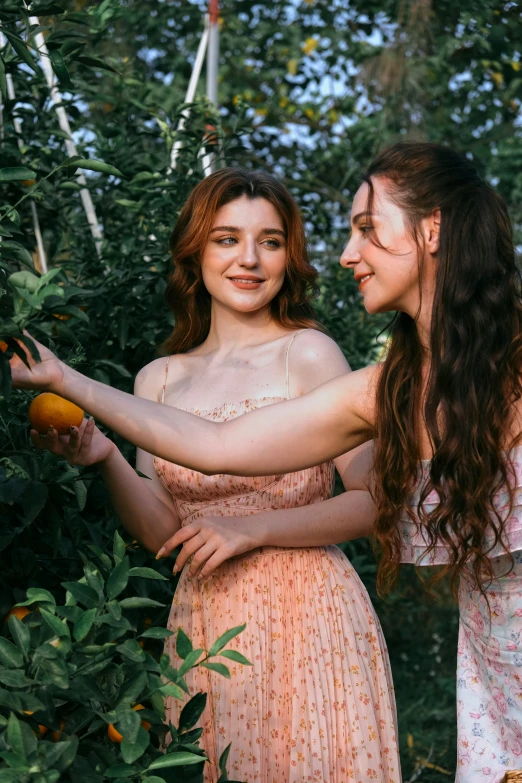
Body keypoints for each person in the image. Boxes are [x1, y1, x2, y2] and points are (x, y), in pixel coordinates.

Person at [12, 141, 522, 782]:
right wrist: (74, 393)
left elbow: (370, 501)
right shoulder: (387, 388)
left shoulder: (323, 358)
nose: (347, 254)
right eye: (226, 239)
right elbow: (218, 450)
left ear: (433, 231)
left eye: (366, 228)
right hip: (485, 663)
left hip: (317, 620)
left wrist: (252, 529)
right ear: (195, 252)